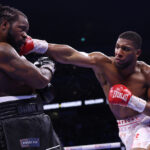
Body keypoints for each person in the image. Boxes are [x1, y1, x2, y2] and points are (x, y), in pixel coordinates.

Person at [21, 30, 150, 150]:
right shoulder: (103, 65)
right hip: (123, 127)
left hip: (145, 122)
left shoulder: (146, 73)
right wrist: (36, 45)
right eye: (117, 46)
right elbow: (70, 55)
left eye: (125, 49)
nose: (118, 52)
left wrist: (131, 100)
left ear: (137, 53)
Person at [0, 4, 63, 150]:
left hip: (28, 119)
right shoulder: (3, 49)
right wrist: (47, 65)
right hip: (14, 122)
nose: (25, 35)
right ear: (4, 24)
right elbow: (41, 81)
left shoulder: (12, 53)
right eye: (21, 29)